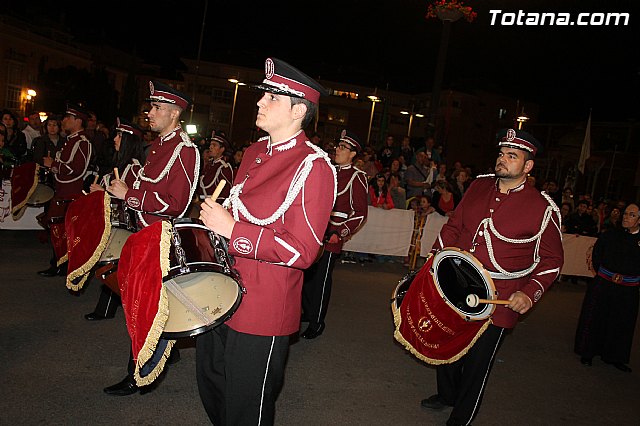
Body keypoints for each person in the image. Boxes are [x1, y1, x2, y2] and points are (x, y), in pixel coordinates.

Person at [197, 57, 336, 425]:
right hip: (221, 291)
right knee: (212, 382)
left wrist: (232, 231)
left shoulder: (314, 167)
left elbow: (303, 251)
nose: (259, 102)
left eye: (271, 98)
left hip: (263, 307)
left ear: (298, 110)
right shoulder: (256, 152)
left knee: (247, 405)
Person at [421, 128, 564, 426]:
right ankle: (447, 394)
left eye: (512, 156)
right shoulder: (479, 185)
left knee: (477, 364)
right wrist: (437, 258)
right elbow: (454, 226)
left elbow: (552, 261)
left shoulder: (542, 208)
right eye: (501, 154)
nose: (503, 160)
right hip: (457, 283)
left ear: (528, 166)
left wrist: (530, 292)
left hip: (499, 296)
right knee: (446, 343)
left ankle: (461, 418)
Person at [102, 81, 200, 396]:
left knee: (147, 304)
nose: (150, 113)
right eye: (151, 107)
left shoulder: (184, 149)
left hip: (159, 237)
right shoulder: (158, 145)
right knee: (151, 303)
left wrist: (130, 195)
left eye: (157, 108)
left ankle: (141, 373)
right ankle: (164, 354)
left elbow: (178, 203)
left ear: (174, 113)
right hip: (146, 233)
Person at [301, 129, 367, 339]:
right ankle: (307, 311)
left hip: (333, 235)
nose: (337, 150)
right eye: (338, 146)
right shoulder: (328, 170)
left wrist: (340, 232)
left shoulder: (357, 177)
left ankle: (317, 320)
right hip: (315, 232)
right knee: (307, 276)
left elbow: (360, 213)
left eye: (343, 147)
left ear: (353, 154)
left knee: (321, 279)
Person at [84, 117, 145, 321]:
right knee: (111, 266)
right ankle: (108, 307)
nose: (115, 139)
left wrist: (104, 193)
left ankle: (114, 308)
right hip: (115, 224)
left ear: (129, 141)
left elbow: (131, 200)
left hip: (127, 226)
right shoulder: (122, 164)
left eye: (120, 136)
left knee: (112, 265)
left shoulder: (135, 168)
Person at [574, 203, 640, 372]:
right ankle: (588, 352)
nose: (626, 217)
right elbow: (597, 255)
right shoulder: (610, 235)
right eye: (625, 214)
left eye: (631, 215)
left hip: (628, 289)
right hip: (604, 284)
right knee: (596, 318)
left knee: (621, 323)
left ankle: (614, 356)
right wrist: (605, 275)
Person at [38, 104, 92, 277]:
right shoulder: (71, 141)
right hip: (62, 191)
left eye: (68, 118)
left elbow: (77, 169)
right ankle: (59, 263)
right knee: (57, 229)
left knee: (65, 231)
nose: (64, 121)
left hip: (70, 194)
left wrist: (53, 164)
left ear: (77, 121)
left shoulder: (82, 142)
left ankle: (64, 265)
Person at [198, 133, 233, 203]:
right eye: (210, 144)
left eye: (214, 145)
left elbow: (225, 195)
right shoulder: (210, 164)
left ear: (222, 149)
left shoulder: (224, 168)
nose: (210, 147)